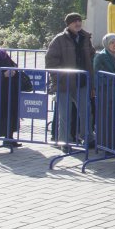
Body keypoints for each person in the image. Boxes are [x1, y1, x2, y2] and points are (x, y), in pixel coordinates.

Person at [45, 12, 95, 150]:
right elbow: (50, 61)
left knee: (86, 112)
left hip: (82, 81)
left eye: (79, 21)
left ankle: (88, 138)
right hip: (64, 84)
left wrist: (91, 79)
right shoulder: (59, 39)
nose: (78, 24)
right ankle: (64, 142)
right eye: (74, 21)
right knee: (65, 115)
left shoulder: (85, 37)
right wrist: (59, 77)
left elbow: (91, 56)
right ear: (68, 24)